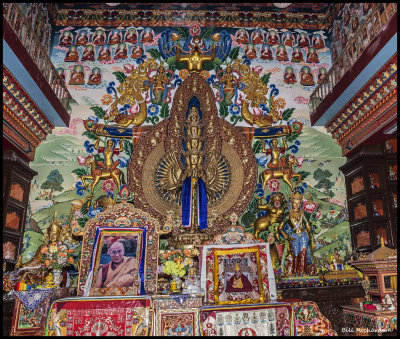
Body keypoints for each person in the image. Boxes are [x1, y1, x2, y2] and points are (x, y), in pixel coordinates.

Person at [279, 192, 316, 276]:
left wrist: (311, 237)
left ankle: (302, 271)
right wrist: (285, 235)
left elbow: (307, 226)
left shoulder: (302, 214)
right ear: (291, 203)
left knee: (303, 253)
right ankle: (295, 271)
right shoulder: (288, 215)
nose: (296, 205)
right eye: (294, 203)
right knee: (295, 254)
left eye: (298, 203)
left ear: (301, 204)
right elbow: (279, 227)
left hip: (303, 235)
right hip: (294, 236)